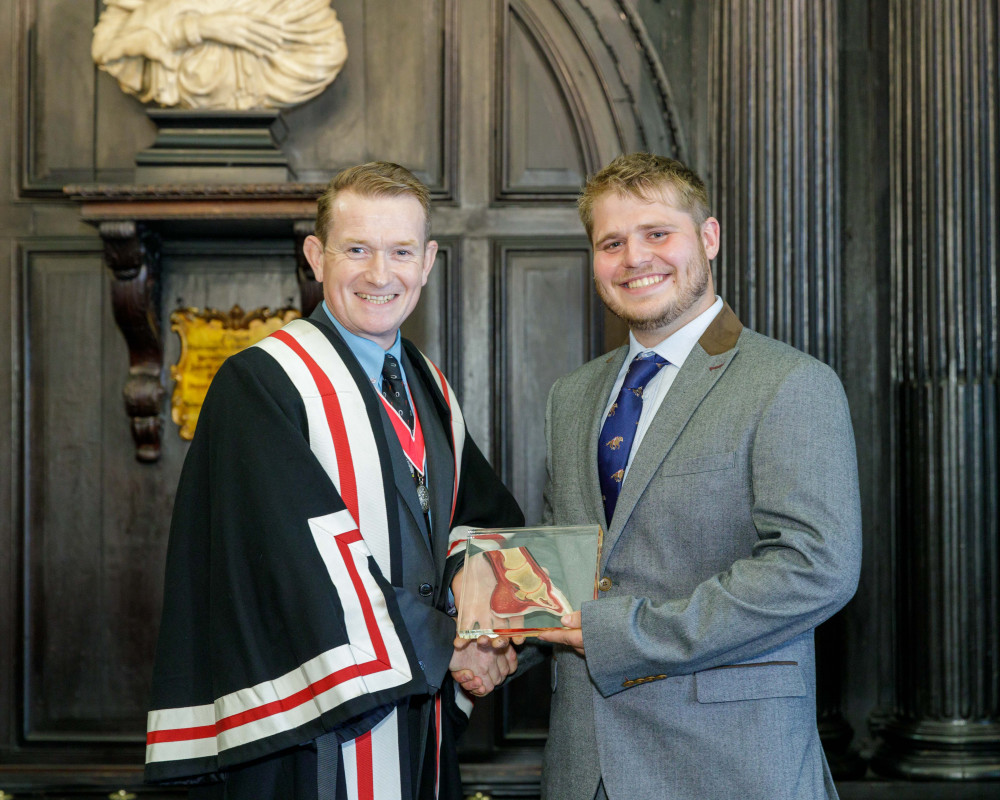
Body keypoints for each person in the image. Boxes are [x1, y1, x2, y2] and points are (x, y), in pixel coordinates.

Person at [145, 161, 524, 800]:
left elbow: (478, 522)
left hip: (416, 728)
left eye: (401, 251)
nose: (381, 274)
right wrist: (447, 646)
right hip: (309, 740)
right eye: (357, 250)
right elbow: (298, 563)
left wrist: (493, 632)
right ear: (316, 257)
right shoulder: (262, 384)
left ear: (428, 261)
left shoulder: (430, 389)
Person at [534, 152, 862, 800]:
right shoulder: (570, 398)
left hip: (728, 770)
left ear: (708, 239)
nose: (635, 258)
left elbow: (816, 568)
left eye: (658, 234)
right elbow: (568, 572)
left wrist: (626, 635)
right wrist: (495, 638)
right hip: (584, 770)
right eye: (612, 242)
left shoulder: (790, 383)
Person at [92, 0, 348, 110]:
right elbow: (107, 48)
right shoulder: (153, 7)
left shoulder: (302, 12)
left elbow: (326, 53)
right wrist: (198, 27)